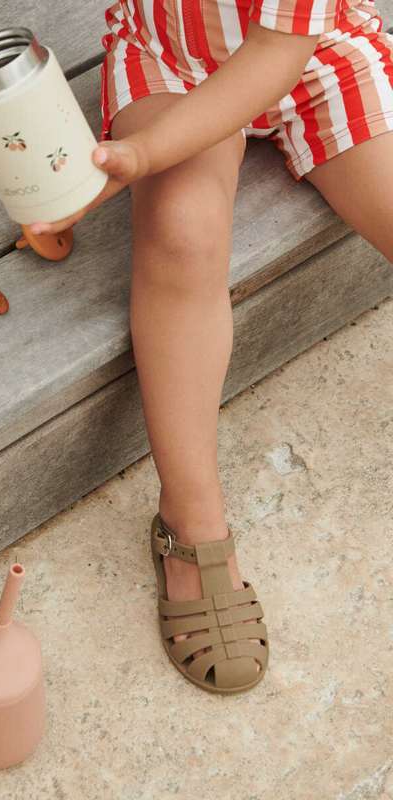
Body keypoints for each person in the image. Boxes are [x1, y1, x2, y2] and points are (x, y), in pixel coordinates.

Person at [29, 0, 393, 693]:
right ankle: (191, 519)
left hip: (314, 53)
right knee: (182, 234)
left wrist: (144, 154)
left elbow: (276, 54)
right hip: (170, 57)